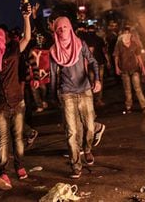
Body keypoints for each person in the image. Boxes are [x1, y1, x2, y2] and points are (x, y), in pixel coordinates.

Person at [0, 3, 38, 190]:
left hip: (17, 103)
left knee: (17, 138)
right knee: (3, 141)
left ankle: (19, 166)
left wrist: (26, 18)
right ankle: (3, 172)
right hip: (0, 106)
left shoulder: (13, 50)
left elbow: (28, 37)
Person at [49, 16, 101, 179]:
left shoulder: (80, 45)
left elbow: (93, 62)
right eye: (59, 28)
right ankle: (76, 165)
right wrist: (52, 96)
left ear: (70, 28)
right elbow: (53, 76)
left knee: (90, 127)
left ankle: (87, 149)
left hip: (85, 90)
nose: (63, 30)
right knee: (71, 132)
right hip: (67, 93)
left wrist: (97, 79)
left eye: (65, 27)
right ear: (56, 32)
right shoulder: (54, 51)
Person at [114, 26, 145, 114]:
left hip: (134, 69)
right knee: (127, 89)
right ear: (122, 34)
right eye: (125, 33)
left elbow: (138, 56)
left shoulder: (134, 44)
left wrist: (143, 67)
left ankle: (144, 106)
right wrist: (117, 67)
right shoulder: (119, 44)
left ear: (130, 34)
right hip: (124, 70)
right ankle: (128, 106)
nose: (127, 35)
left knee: (138, 88)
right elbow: (116, 56)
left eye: (128, 33)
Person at [83, 25, 111, 107]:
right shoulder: (99, 39)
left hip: (91, 64)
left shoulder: (85, 40)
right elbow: (104, 51)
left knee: (92, 81)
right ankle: (98, 99)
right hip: (99, 62)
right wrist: (108, 61)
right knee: (99, 80)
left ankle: (93, 99)